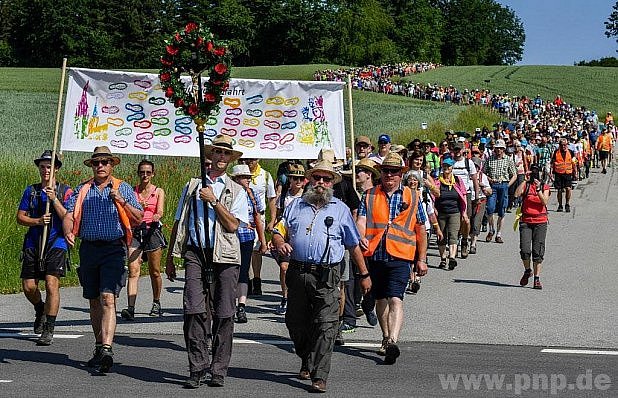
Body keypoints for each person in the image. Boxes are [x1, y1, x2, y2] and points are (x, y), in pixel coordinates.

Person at [272, 159, 371, 393]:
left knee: (326, 325)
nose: (321, 183)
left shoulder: (340, 209)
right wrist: (279, 242)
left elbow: (353, 244)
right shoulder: (296, 205)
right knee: (295, 322)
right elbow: (279, 229)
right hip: (298, 272)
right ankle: (306, 357)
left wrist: (364, 273)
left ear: (332, 184)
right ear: (309, 179)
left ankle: (320, 375)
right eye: (317, 178)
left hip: (327, 275)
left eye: (326, 179)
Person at [165, 135, 249, 388]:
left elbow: (234, 225)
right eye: (218, 152)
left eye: (225, 153)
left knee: (224, 313)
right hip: (195, 252)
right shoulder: (191, 186)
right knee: (194, 310)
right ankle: (197, 367)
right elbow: (179, 221)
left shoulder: (236, 190)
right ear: (209, 156)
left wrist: (213, 201)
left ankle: (219, 369)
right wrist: (170, 256)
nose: (221, 157)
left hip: (225, 256)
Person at [63, 146, 143, 373]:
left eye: (105, 162)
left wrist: (122, 201)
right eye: (97, 162)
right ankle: (99, 346)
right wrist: (69, 230)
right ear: (92, 165)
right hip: (89, 249)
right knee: (93, 300)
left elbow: (137, 218)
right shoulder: (83, 190)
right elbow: (69, 215)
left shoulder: (122, 188)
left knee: (108, 297)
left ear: (112, 165)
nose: (100, 166)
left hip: (113, 249)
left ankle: (107, 348)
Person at [356, 152, 428, 365]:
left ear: (401, 174)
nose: (389, 175)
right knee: (380, 299)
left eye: (394, 171)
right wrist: (360, 235)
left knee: (396, 297)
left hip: (401, 255)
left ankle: (393, 341)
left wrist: (421, 258)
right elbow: (361, 219)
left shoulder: (413, 196)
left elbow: (421, 228)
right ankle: (386, 336)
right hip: (376, 252)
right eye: (386, 171)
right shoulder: (369, 195)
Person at [17, 150, 72, 346]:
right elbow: (20, 217)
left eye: (49, 166)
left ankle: (49, 328)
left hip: (56, 241)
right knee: (29, 286)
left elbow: (69, 217)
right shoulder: (30, 191)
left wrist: (54, 199)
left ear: (56, 168)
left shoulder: (65, 191)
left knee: (51, 283)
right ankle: (40, 308)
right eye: (42, 166)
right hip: (33, 241)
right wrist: (38, 221)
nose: (45, 170)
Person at [121, 159, 166, 321]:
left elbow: (160, 210)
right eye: (142, 172)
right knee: (133, 270)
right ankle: (131, 307)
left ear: (153, 174)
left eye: (148, 172)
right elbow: (126, 210)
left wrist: (156, 215)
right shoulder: (132, 192)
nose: (145, 175)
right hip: (135, 231)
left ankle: (156, 302)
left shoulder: (158, 191)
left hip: (152, 231)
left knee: (154, 271)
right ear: (138, 174)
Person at [230, 164, 266, 323]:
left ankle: (241, 305)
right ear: (236, 179)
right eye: (244, 177)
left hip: (246, 236)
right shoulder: (229, 193)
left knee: (244, 271)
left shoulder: (253, 195)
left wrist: (262, 240)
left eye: (249, 177)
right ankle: (228, 303)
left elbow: (257, 217)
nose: (247, 180)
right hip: (230, 236)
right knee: (231, 271)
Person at [273, 163, 307, 315]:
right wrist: (275, 235)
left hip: (301, 235)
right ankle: (285, 296)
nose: (298, 181)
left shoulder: (307, 196)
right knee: (284, 267)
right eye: (295, 178)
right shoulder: (284, 197)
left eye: (301, 178)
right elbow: (278, 217)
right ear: (290, 179)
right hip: (286, 234)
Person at [241, 158, 276, 296]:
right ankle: (247, 279)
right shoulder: (238, 174)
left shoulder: (265, 175)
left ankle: (257, 279)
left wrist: (272, 219)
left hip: (259, 216)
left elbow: (271, 198)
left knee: (257, 249)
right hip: (243, 216)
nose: (249, 161)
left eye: (252, 159)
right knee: (245, 248)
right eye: (247, 159)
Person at [514, 163, 550, 290]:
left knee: (537, 250)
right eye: (532, 171)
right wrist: (524, 180)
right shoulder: (527, 185)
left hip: (540, 221)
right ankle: (527, 270)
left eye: (536, 172)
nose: (534, 174)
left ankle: (537, 278)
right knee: (525, 250)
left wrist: (539, 189)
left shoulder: (544, 186)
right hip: (526, 221)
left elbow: (544, 201)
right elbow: (516, 194)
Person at [432, 157, 467, 270]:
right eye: (444, 166)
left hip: (455, 212)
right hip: (441, 212)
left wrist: (464, 212)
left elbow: (463, 194)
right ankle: (443, 258)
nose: (446, 168)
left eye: (448, 166)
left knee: (453, 234)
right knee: (441, 236)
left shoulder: (457, 180)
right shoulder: (437, 181)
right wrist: (433, 210)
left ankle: (452, 257)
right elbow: (433, 197)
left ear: (452, 168)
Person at [483, 139, 517, 243]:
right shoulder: (490, 159)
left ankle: (499, 234)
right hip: (493, 186)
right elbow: (484, 173)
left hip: (504, 184)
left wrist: (507, 185)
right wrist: (489, 180)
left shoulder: (508, 159)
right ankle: (491, 229)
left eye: (500, 148)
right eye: (497, 148)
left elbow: (514, 175)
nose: (498, 150)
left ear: (503, 149)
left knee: (502, 210)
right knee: (490, 208)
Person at [450, 141, 479, 258]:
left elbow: (475, 180)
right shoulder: (450, 163)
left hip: (465, 194)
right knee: (455, 219)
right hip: (452, 194)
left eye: (459, 150)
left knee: (466, 220)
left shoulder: (469, 162)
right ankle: (455, 243)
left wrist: (476, 196)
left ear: (463, 150)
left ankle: (465, 242)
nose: (457, 152)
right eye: (455, 150)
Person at [469, 156, 491, 254]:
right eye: (472, 166)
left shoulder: (483, 176)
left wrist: (483, 187)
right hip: (468, 200)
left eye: (476, 166)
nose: (474, 168)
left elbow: (490, 191)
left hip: (480, 201)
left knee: (476, 222)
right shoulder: (466, 176)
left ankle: (473, 243)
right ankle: (465, 239)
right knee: (468, 221)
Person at [552, 138, 577, 212]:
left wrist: (575, 173)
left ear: (567, 145)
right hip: (558, 173)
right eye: (562, 145)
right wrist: (551, 173)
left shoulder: (571, 152)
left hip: (568, 173)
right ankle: (560, 205)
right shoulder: (556, 152)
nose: (563, 146)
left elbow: (574, 163)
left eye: (565, 145)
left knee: (568, 189)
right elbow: (553, 162)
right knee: (559, 190)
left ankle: (567, 204)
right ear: (559, 145)